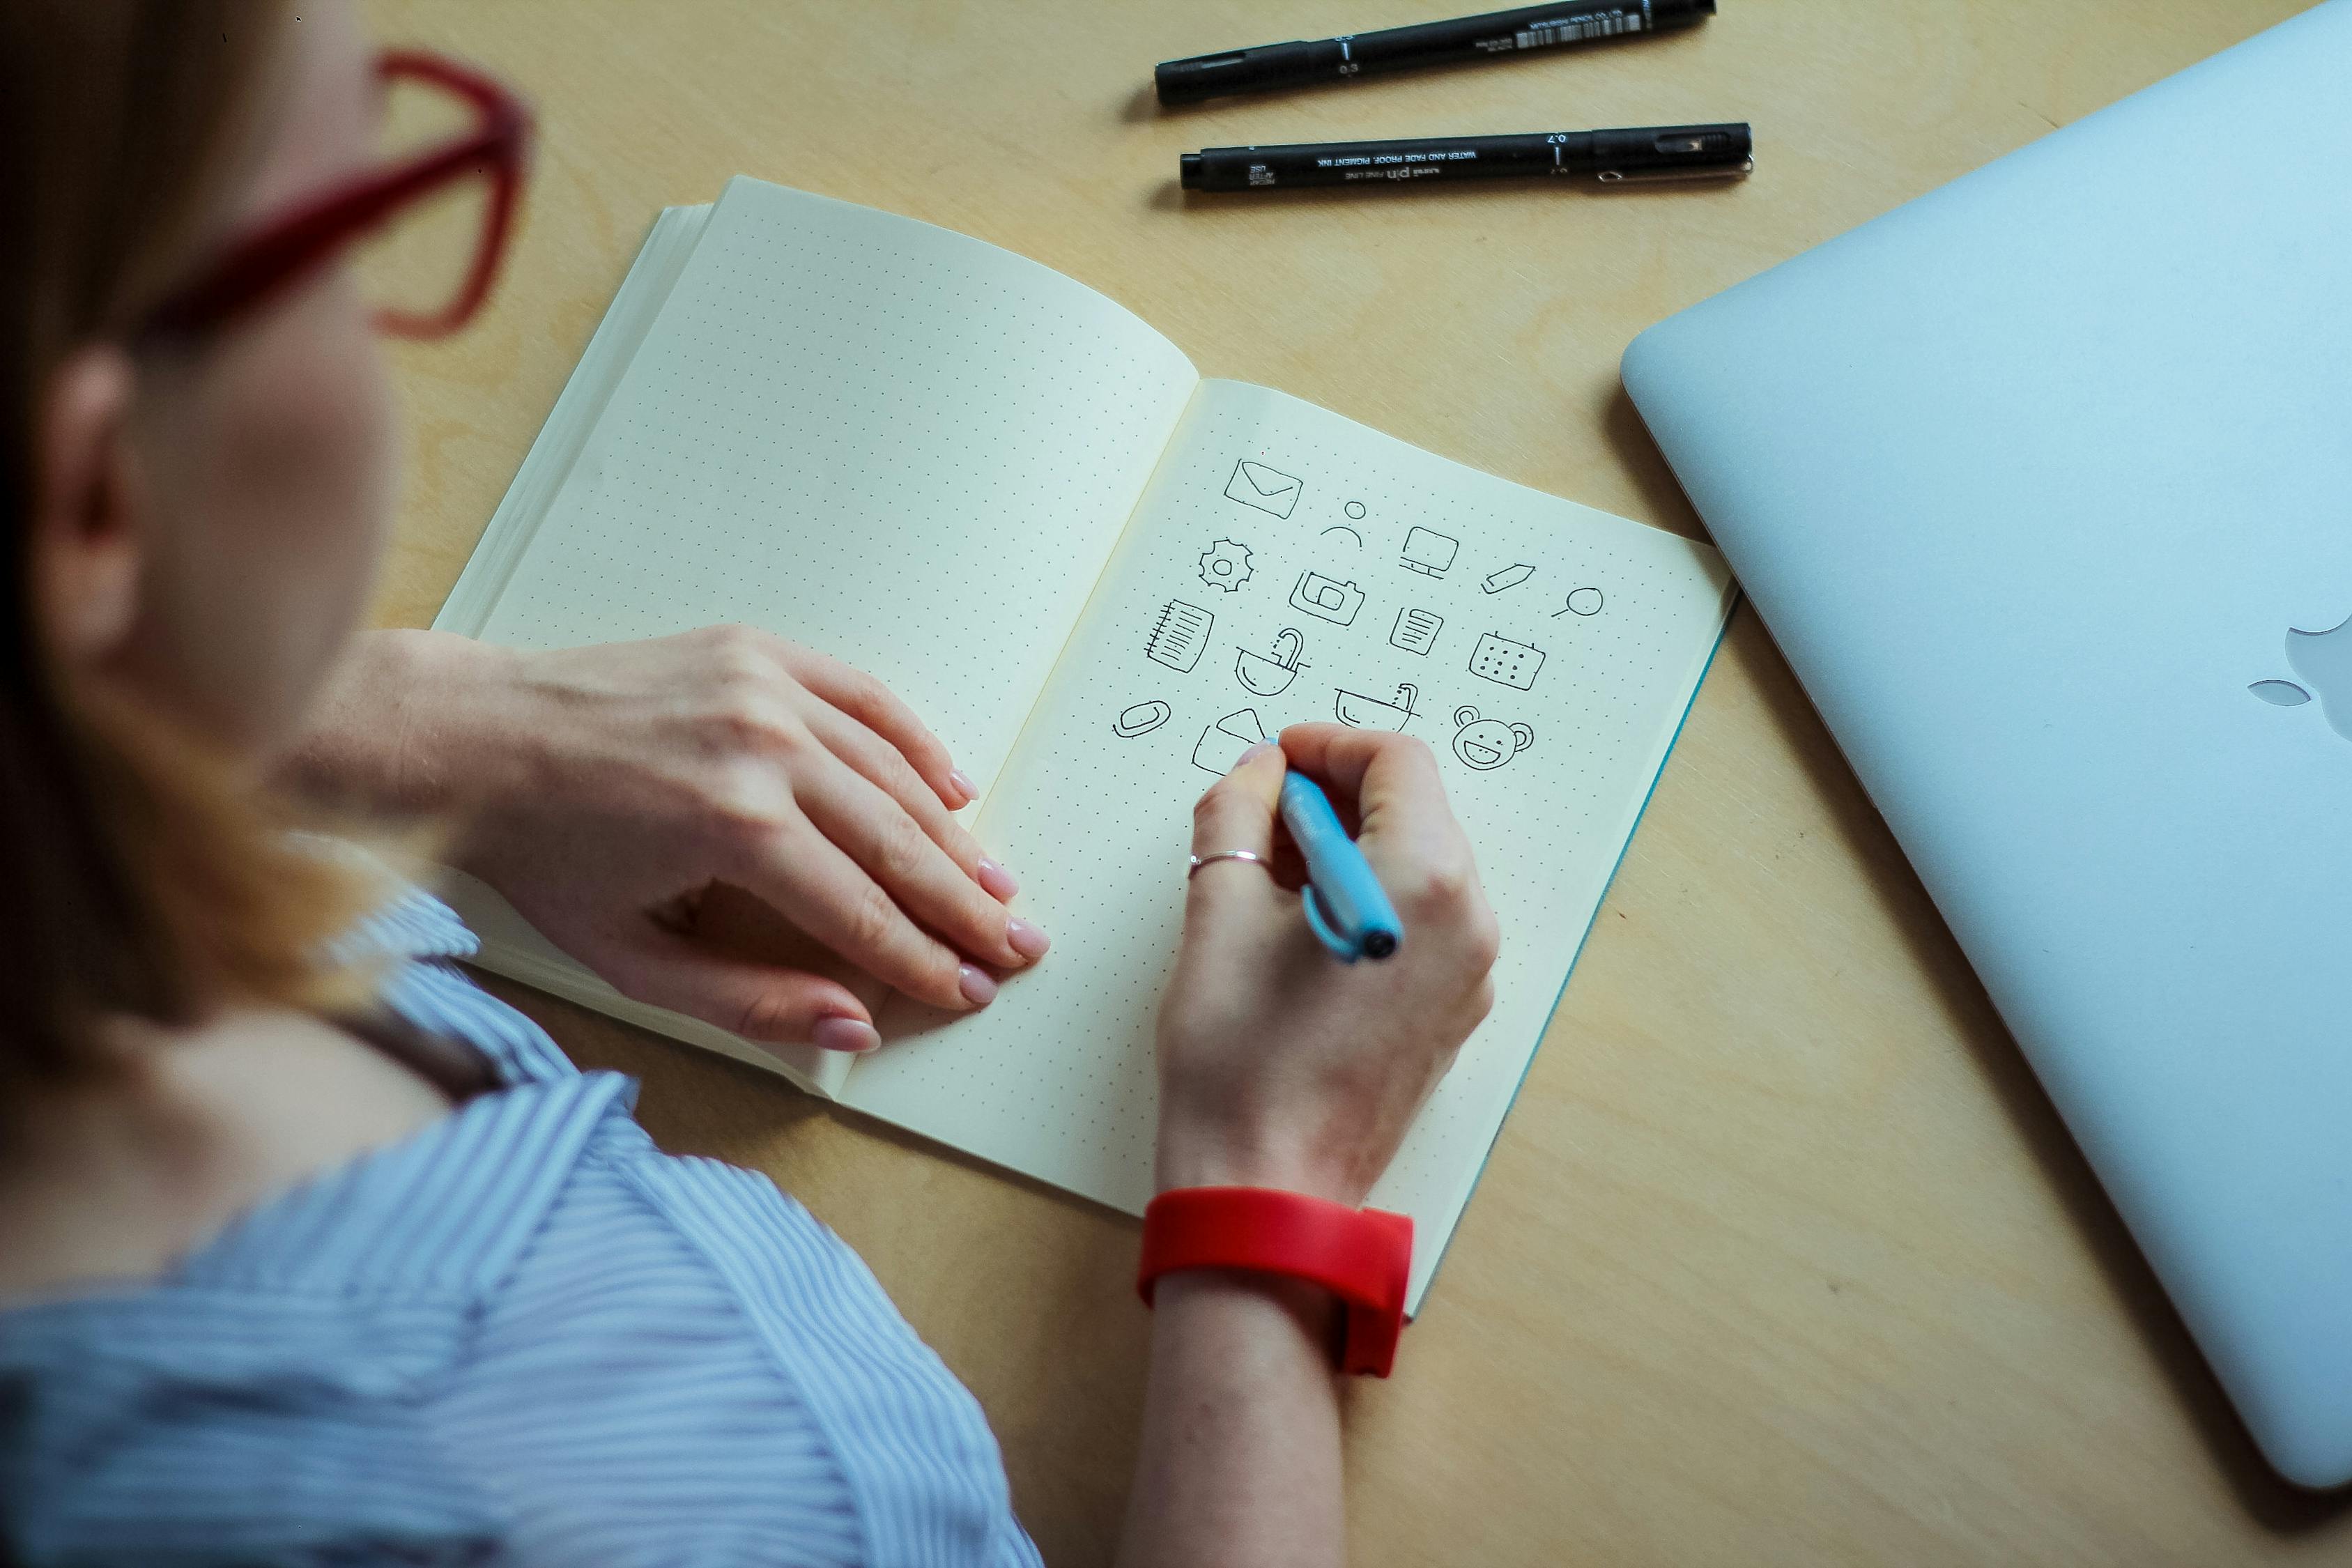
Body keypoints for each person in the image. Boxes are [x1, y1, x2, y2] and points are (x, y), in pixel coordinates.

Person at [0, 3, 1501, 1564]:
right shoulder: (585, 1485)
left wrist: (407, 721)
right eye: (348, 236)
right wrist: (1269, 1185)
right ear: (104, 496)